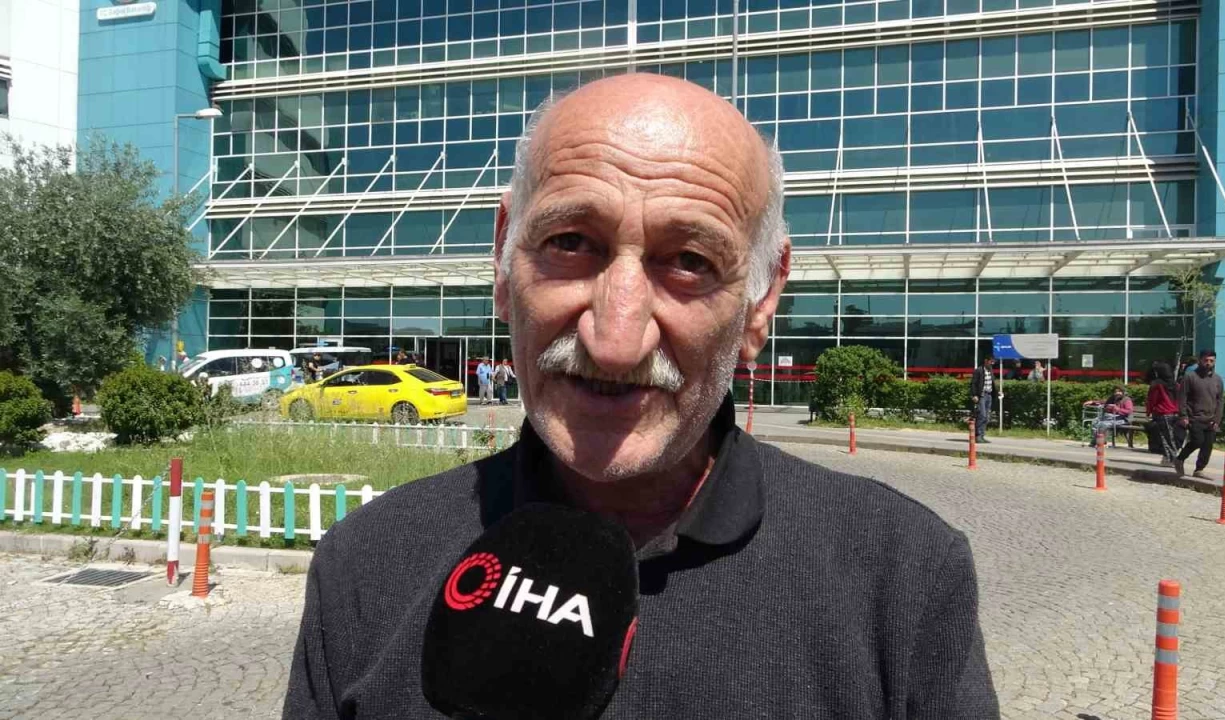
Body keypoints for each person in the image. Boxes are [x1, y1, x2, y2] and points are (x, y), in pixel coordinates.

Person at [284, 74, 998, 719]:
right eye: (571, 242)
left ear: (760, 301)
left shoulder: (903, 577)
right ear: (503, 259)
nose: (616, 341)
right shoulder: (366, 566)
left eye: (689, 261)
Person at [1175, 349, 1225, 479]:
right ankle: (1180, 459)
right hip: (1194, 417)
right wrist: (1183, 415)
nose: (1208, 363)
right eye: (1205, 360)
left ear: (1215, 362)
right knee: (1197, 441)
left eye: (1211, 361)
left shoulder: (1218, 379)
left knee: (1208, 445)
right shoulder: (1190, 377)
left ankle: (1199, 469)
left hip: (1211, 418)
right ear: (1200, 360)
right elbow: (1182, 397)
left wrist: (1217, 419)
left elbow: (1220, 400)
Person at [1145, 361, 1181, 466]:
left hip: (1162, 412)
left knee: (1165, 438)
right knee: (1172, 437)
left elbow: (1152, 400)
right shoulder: (1176, 384)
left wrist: (1149, 411)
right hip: (1175, 413)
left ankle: (1171, 459)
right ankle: (1168, 458)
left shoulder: (1157, 385)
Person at [969, 356, 995, 443]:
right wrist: (974, 395)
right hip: (981, 396)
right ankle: (978, 435)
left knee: (986, 417)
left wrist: (997, 391)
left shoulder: (990, 370)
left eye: (993, 362)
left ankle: (982, 435)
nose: (992, 363)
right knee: (982, 415)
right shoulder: (979, 370)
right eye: (991, 361)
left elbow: (992, 383)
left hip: (989, 395)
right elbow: (973, 383)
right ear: (986, 361)